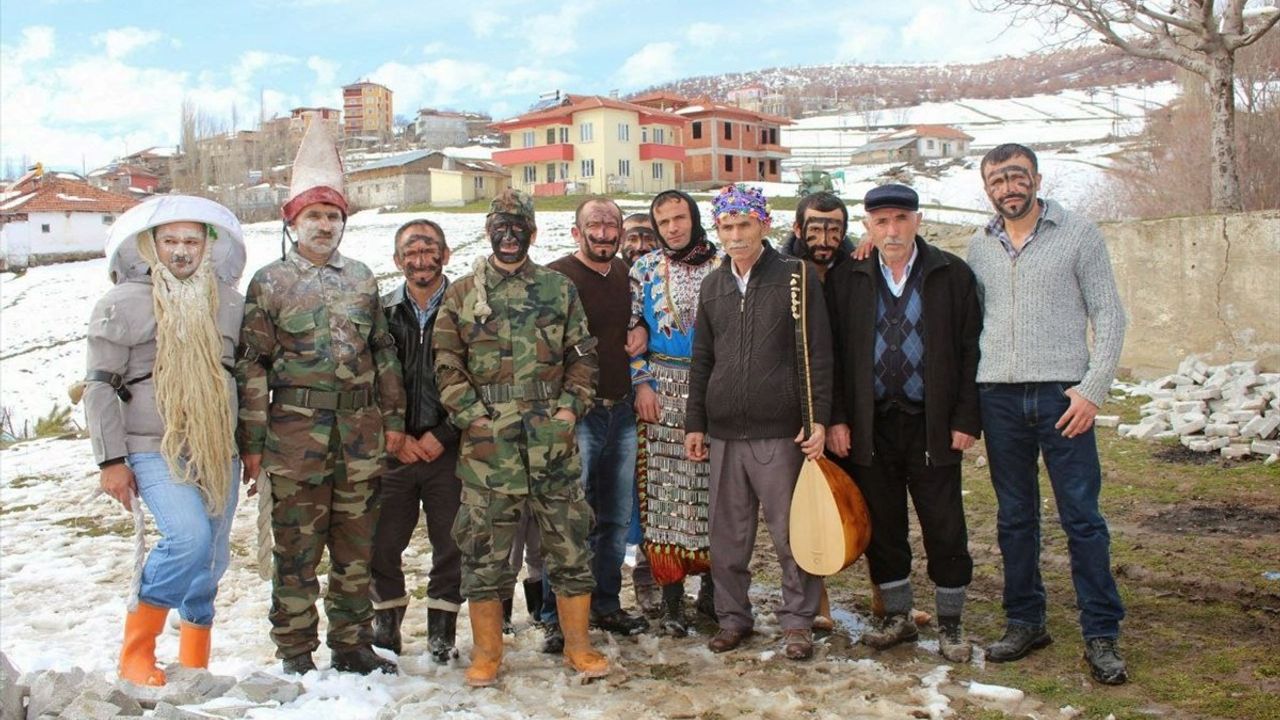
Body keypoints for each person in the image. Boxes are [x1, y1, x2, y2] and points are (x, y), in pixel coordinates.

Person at [237, 121, 406, 676]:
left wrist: (394, 423)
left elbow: (383, 354)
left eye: (333, 216)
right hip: (294, 441)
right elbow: (252, 364)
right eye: (314, 215)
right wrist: (252, 443)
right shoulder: (269, 282)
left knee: (356, 550)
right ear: (293, 222)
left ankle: (352, 644)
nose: (325, 225)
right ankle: (295, 650)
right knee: (296, 552)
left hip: (359, 440)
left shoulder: (361, 279)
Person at [433, 188, 609, 687]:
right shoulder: (463, 294)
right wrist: (472, 416)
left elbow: (583, 355)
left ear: (532, 234)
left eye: (517, 229)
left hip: (552, 443)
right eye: (500, 229)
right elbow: (446, 363)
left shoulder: (558, 289)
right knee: (484, 553)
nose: (508, 237)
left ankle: (578, 646)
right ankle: (488, 653)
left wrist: (570, 409)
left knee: (569, 546)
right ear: (488, 232)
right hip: (489, 451)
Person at [967, 143, 1129, 685]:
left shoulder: (1078, 234)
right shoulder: (979, 246)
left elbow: (1109, 314)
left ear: (1036, 179)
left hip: (1064, 397)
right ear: (987, 189)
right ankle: (1025, 620)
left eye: (1017, 177)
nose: (1008, 188)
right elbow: (972, 319)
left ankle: (1101, 632)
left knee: (1081, 517)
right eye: (997, 181)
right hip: (999, 397)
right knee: (1014, 517)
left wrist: (1092, 391)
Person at [84, 196, 246, 686]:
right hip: (153, 444)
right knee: (188, 538)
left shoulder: (230, 304)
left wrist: (254, 445)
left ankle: (195, 660)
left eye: (191, 241)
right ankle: (137, 652)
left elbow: (248, 376)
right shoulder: (121, 304)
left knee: (212, 557)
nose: (181, 251)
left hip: (218, 448)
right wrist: (110, 461)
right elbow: (98, 386)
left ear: (207, 246)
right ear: (149, 246)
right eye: (170, 240)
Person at [824, 184, 981, 662]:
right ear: (868, 227)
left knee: (945, 525)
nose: (891, 230)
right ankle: (897, 616)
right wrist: (838, 419)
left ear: (917, 220)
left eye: (900, 219)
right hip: (871, 424)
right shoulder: (848, 277)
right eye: (881, 222)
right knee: (885, 524)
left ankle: (951, 623)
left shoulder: (950, 273)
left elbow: (971, 349)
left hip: (932, 424)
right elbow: (833, 355)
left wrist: (966, 417)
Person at [684, 185, 831, 661]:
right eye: (727, 227)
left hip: (781, 431)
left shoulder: (795, 276)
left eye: (744, 224)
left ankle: (797, 621)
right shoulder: (713, 285)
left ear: (764, 224)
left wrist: (818, 419)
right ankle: (732, 618)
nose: (736, 235)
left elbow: (818, 354)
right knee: (727, 536)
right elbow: (703, 359)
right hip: (725, 431)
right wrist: (695, 423)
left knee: (791, 533)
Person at [541, 197, 650, 651]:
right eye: (595, 225)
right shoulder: (555, 277)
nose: (604, 233)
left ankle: (606, 603)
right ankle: (555, 615)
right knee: (569, 519)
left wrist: (641, 327)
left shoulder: (627, 275)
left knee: (614, 518)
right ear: (576, 231)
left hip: (621, 412)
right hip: (577, 414)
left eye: (611, 225)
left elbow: (637, 323)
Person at [369, 218, 463, 664]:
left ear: (445, 255)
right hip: (395, 448)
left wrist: (445, 433)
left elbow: (484, 375)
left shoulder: (466, 307)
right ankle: (385, 625)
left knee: (453, 541)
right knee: (383, 542)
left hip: (449, 447)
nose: (421, 260)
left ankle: (442, 631)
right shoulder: (381, 313)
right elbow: (368, 378)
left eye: (429, 250)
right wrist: (395, 434)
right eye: (411, 252)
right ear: (397, 260)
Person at [629, 190, 721, 636]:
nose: (673, 228)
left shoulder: (724, 264)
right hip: (661, 391)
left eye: (680, 218)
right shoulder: (643, 269)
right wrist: (641, 382)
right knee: (665, 498)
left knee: (716, 494)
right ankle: (671, 602)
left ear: (695, 217)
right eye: (663, 221)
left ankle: (714, 594)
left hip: (716, 387)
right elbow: (631, 333)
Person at [780, 190, 856, 283]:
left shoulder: (859, 275)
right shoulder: (775, 277)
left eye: (833, 230)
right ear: (798, 229)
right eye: (815, 229)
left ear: (844, 231)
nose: (824, 242)